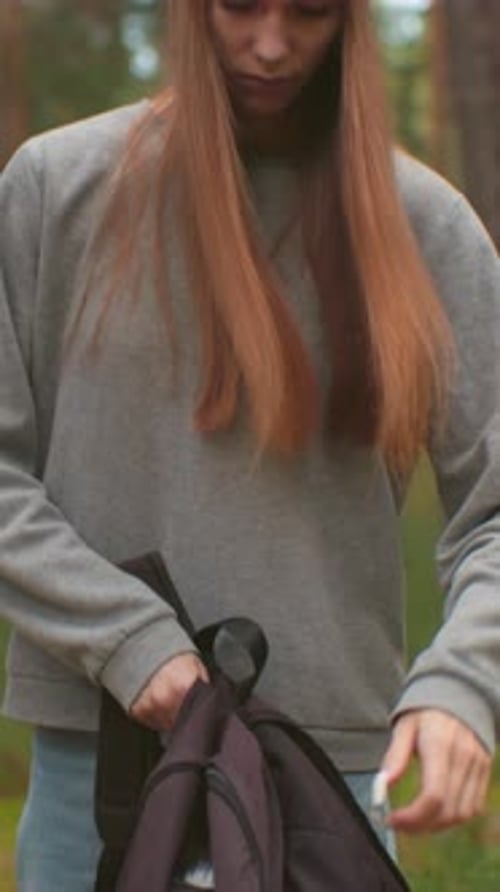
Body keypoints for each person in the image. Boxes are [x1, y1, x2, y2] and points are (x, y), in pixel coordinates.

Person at [1, 1, 499, 889]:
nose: (271, 45)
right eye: (239, 5)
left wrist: (466, 682)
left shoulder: (426, 224)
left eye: (307, 11)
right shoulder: (55, 189)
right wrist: (126, 639)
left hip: (329, 793)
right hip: (99, 781)